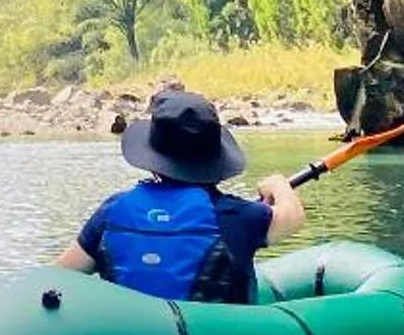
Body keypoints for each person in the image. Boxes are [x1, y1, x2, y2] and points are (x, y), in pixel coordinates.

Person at [54, 87, 307, 304]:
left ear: (153, 161)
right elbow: (293, 216)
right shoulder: (237, 216)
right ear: (215, 162)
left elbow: (60, 275)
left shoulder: (112, 211)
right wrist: (277, 184)